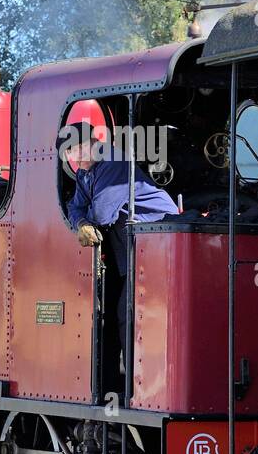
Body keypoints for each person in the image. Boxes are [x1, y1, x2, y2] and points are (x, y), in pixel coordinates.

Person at [63, 120, 178, 354]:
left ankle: (135, 381)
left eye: (83, 147)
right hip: (132, 245)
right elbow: (74, 207)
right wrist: (82, 223)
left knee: (130, 312)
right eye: (73, 151)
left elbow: (103, 215)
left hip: (158, 237)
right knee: (125, 312)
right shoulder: (84, 173)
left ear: (95, 143)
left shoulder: (113, 161)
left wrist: (86, 218)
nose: (79, 155)